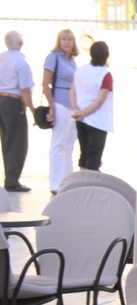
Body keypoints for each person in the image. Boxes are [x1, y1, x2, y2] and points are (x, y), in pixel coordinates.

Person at [43, 29, 79, 194]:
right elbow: (45, 83)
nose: (66, 42)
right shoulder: (54, 57)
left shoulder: (72, 61)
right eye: (64, 39)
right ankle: (56, 183)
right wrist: (52, 106)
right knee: (58, 144)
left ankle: (67, 181)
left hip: (72, 106)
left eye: (69, 39)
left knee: (69, 145)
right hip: (60, 103)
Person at [70, 41, 113, 172]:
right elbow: (100, 100)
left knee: (84, 154)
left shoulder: (81, 70)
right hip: (98, 120)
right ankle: (89, 182)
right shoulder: (105, 74)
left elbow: (72, 91)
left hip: (80, 118)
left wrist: (77, 110)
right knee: (94, 157)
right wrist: (86, 113)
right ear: (107, 55)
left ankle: (82, 179)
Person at [0, 31, 34, 192]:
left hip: (1, 100)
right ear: (20, 43)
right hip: (13, 103)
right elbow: (25, 89)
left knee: (6, 141)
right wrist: (33, 110)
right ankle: (12, 181)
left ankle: (10, 178)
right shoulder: (20, 62)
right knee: (17, 143)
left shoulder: (1, 58)